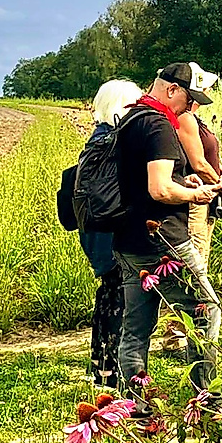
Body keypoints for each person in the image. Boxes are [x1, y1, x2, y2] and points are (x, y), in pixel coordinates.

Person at [113, 62, 222, 415]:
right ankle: (206, 399)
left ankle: (138, 406)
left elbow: (144, 180)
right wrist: (196, 195)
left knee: (136, 327)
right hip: (163, 240)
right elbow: (159, 189)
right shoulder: (160, 124)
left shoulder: (130, 120)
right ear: (172, 90)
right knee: (206, 312)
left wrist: (185, 182)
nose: (189, 107)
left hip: (127, 241)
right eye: (188, 98)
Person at [78, 79, 143, 389]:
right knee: (121, 299)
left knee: (107, 295)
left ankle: (99, 365)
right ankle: (115, 370)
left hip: (95, 230)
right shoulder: (117, 141)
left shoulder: (95, 139)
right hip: (115, 230)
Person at [174, 68, 222, 262]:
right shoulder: (184, 118)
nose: (210, 92)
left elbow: (207, 152)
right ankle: (196, 292)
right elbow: (198, 162)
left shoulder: (194, 118)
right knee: (196, 252)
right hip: (196, 192)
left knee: (203, 248)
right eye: (208, 89)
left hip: (207, 190)